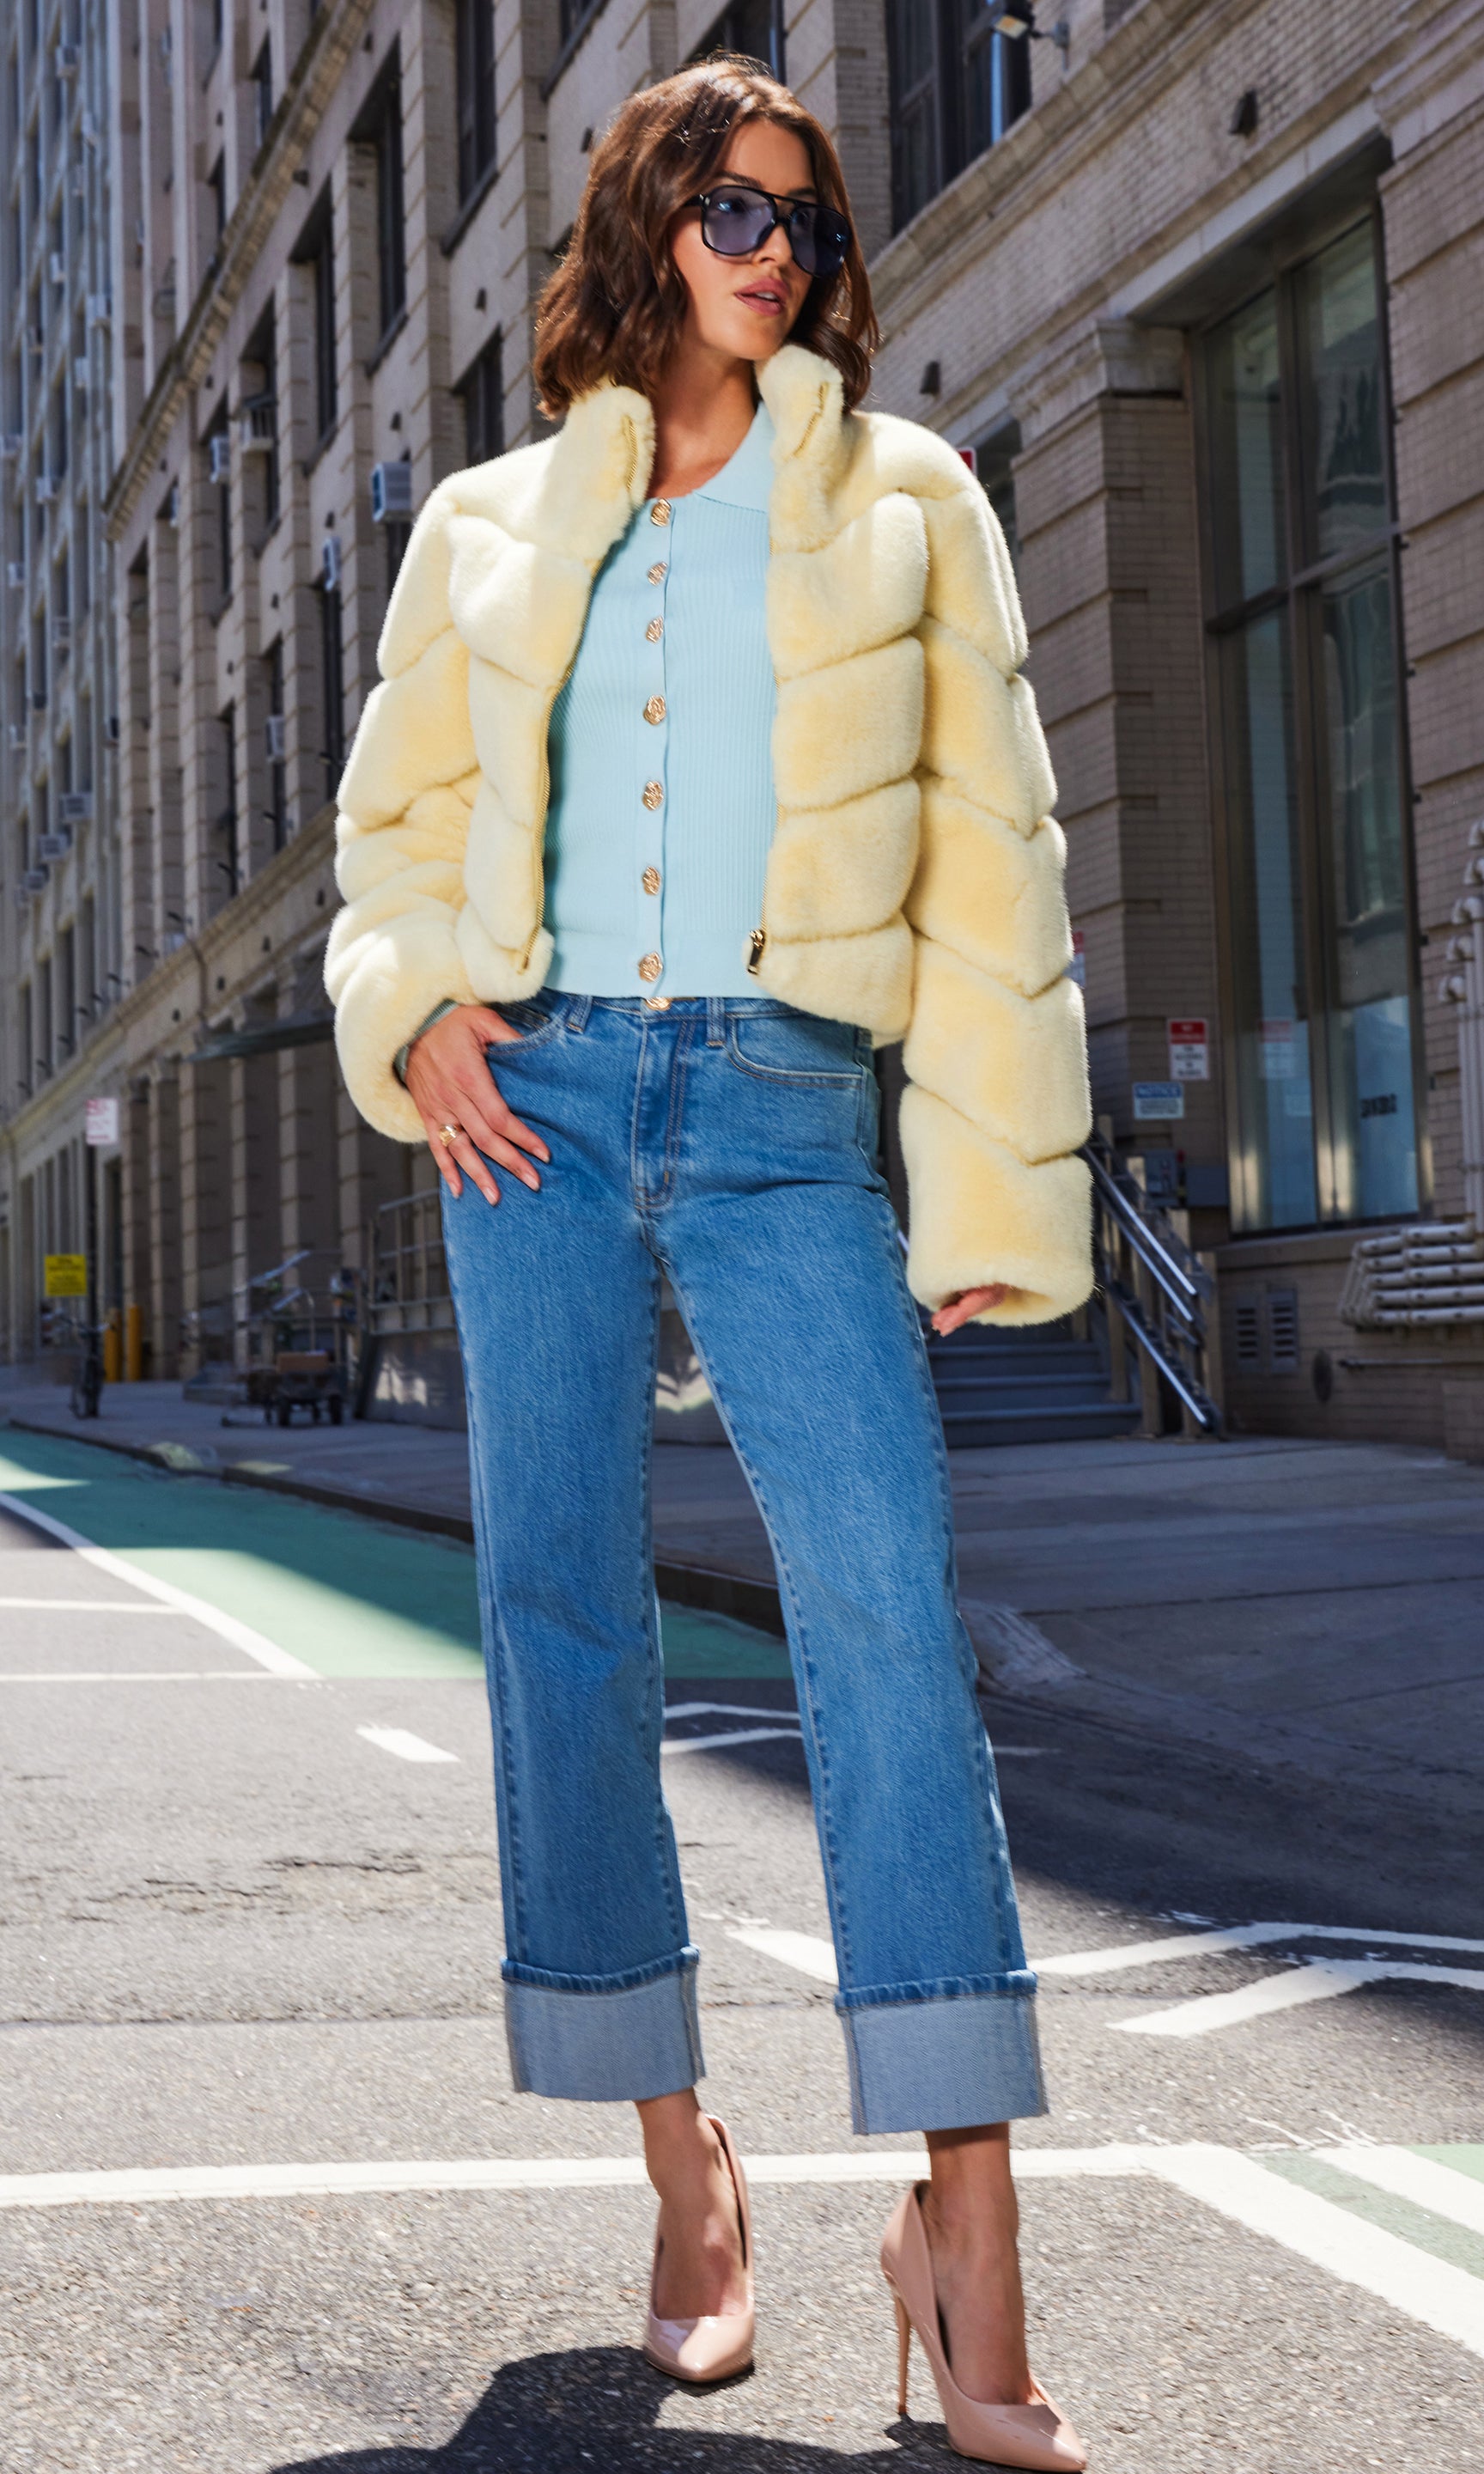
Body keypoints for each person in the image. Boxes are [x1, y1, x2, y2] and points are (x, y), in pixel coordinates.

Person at [327, 53, 1092, 2471]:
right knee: (560, 1606)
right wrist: (411, 1003)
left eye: (804, 218)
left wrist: (990, 1196)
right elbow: (394, 833)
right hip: (533, 1108)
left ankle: (968, 2228)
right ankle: (684, 2166)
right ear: (647, 222)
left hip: (785, 1112)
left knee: (883, 1617)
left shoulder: (907, 500)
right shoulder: (483, 524)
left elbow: (996, 866)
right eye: (732, 208)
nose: (775, 250)